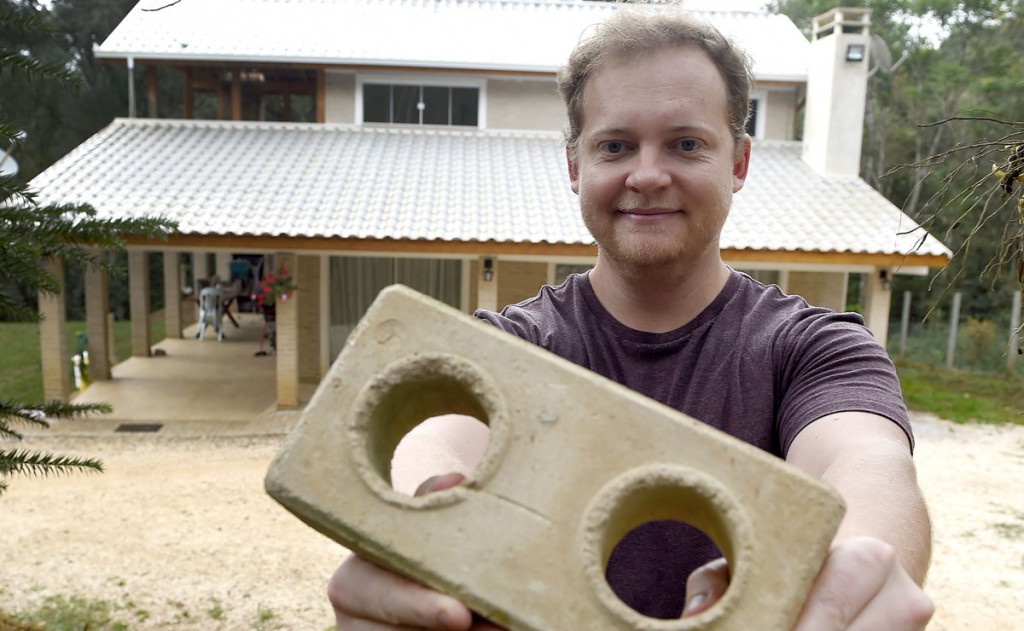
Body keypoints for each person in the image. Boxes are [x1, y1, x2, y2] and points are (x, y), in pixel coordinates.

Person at [328, 7, 934, 630]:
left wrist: (859, 574)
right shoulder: (509, 345)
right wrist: (416, 542)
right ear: (575, 166)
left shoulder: (816, 348)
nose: (647, 175)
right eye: (615, 145)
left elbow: (868, 465)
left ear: (739, 163)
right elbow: (432, 442)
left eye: (686, 143)